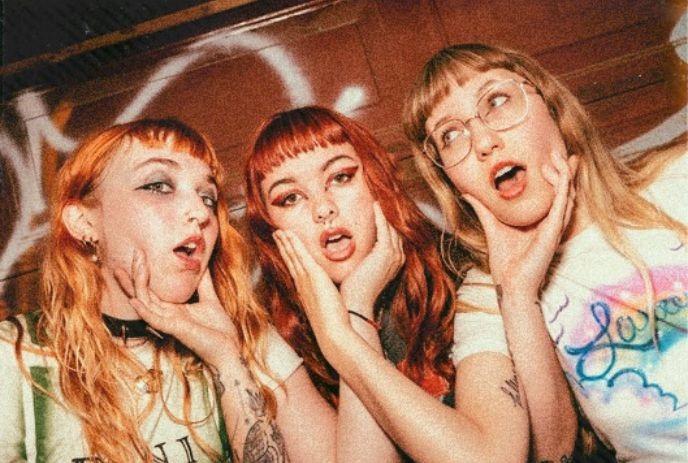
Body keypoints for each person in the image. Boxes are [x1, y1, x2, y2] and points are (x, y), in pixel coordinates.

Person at [403, 42, 687, 462]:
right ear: (450, 182)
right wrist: (518, 295)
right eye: (451, 135)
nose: (482, 142)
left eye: (496, 101)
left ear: (553, 107)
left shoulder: (677, 183)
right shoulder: (486, 297)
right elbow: (553, 452)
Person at [0, 119, 335, 462]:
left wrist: (227, 361)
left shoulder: (244, 334)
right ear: (85, 222)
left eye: (208, 197)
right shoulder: (14, 356)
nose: (200, 213)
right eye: (159, 185)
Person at [244, 106, 530, 463]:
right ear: (272, 231)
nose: (323, 208)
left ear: (377, 183)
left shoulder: (464, 273)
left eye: (341, 177)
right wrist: (357, 307)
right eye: (290, 198)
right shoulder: (273, 343)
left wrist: (342, 335)